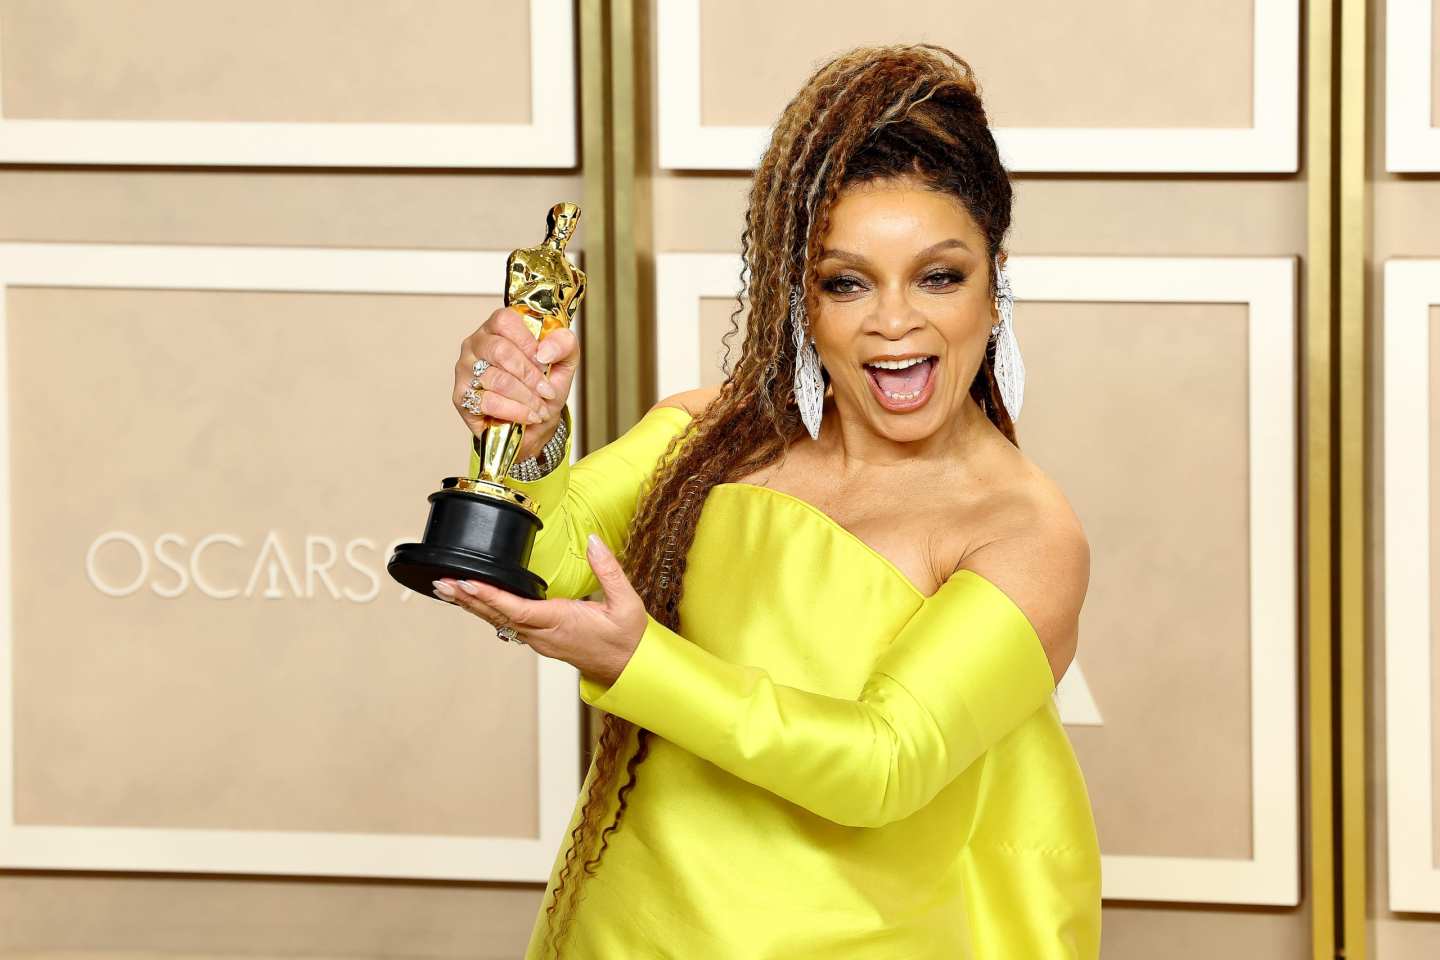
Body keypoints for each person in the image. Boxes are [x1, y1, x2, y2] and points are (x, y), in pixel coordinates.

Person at [432, 43, 1101, 960]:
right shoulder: (709, 436)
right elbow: (542, 563)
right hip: (622, 935)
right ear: (801, 303)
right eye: (847, 281)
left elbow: (882, 764)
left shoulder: (1022, 530)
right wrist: (530, 434)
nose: (895, 321)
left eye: (939, 276)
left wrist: (641, 662)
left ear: (995, 290)